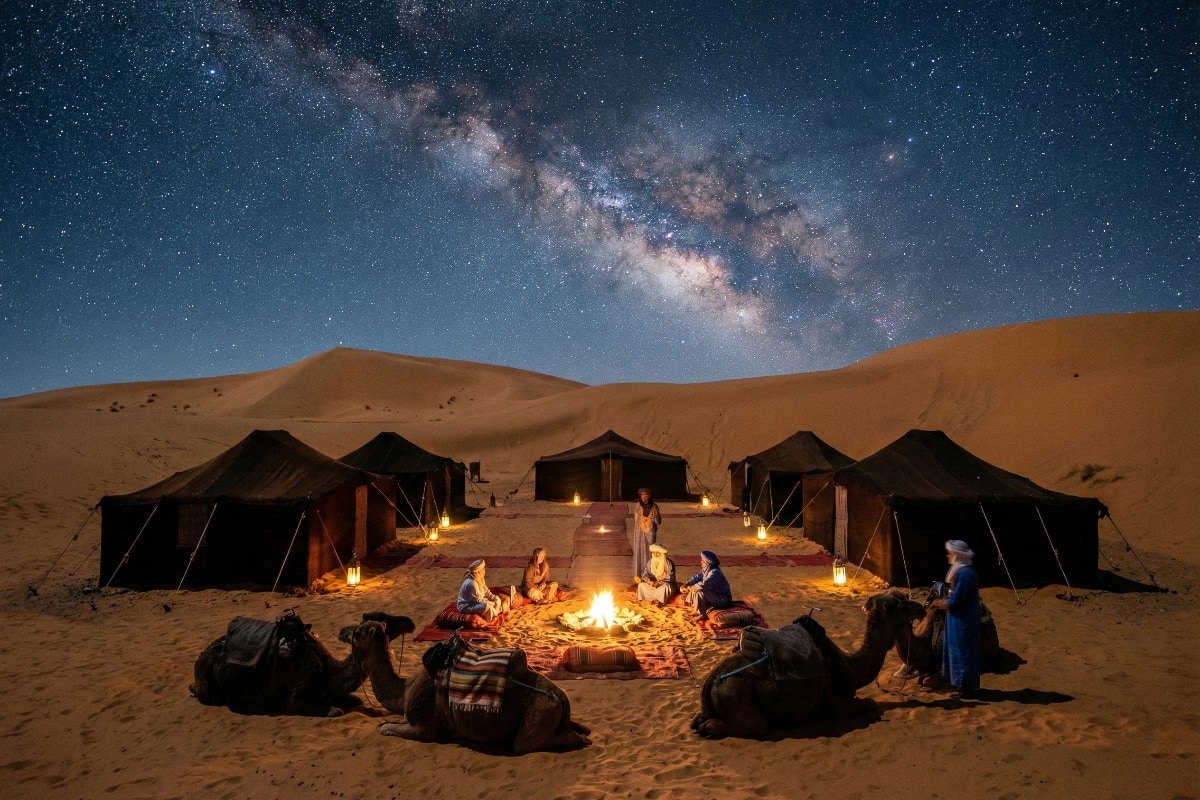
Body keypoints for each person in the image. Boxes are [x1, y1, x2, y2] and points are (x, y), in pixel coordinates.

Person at [932, 539, 981, 699]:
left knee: (963, 652)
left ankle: (965, 688)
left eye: (951, 554)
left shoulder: (965, 574)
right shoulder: (961, 572)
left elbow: (957, 598)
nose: (948, 556)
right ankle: (959, 684)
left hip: (962, 619)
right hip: (956, 618)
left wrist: (942, 603)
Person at [679, 550, 733, 617]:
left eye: (703, 561)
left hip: (722, 599)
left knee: (699, 591)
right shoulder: (706, 570)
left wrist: (690, 588)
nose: (701, 562)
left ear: (707, 563)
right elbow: (696, 578)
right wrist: (687, 584)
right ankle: (697, 610)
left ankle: (702, 614)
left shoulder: (715, 573)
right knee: (695, 588)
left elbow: (704, 584)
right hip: (714, 595)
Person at [632, 487, 662, 580]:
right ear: (640, 496)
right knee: (638, 553)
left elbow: (658, 522)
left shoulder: (654, 507)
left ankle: (649, 575)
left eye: (647, 495)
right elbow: (636, 519)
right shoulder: (637, 506)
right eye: (643, 495)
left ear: (649, 496)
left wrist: (652, 520)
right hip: (639, 533)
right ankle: (638, 576)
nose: (645, 497)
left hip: (650, 533)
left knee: (650, 553)